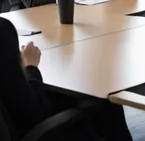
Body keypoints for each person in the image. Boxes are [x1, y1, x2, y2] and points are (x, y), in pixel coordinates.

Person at [0, 16, 133, 140]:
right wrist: (30, 66)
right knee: (102, 97)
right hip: (35, 130)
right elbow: (32, 113)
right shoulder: (2, 31)